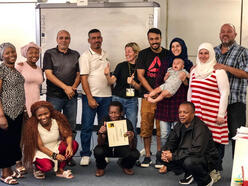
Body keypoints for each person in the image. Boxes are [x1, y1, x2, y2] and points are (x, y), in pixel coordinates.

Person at [188, 42, 230, 183]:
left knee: (216, 143)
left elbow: (225, 93)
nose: (203, 56)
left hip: (213, 114)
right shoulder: (194, 71)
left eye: (206, 53)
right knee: (200, 143)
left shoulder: (218, 71)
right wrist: (189, 112)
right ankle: (202, 169)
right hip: (198, 115)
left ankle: (215, 170)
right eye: (201, 53)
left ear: (211, 54)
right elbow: (190, 91)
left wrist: (220, 114)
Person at [157, 102, 218, 186]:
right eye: (180, 112)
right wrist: (166, 152)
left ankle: (206, 180)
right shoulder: (179, 125)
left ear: (193, 113)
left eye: (185, 112)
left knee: (189, 162)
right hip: (186, 154)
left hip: (206, 159)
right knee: (159, 154)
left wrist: (173, 156)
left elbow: (197, 151)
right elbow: (171, 141)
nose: (181, 115)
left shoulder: (201, 128)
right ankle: (189, 173)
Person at [155, 38, 193, 173]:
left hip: (180, 104)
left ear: (183, 47)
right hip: (165, 103)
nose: (175, 48)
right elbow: (158, 81)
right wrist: (165, 87)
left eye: (178, 46)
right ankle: (165, 161)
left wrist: (184, 80)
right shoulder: (166, 62)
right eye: (173, 46)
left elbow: (190, 86)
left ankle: (177, 161)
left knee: (179, 135)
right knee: (165, 134)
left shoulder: (188, 64)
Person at [43, 30, 80, 166]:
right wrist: (65, 87)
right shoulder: (49, 53)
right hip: (54, 97)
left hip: (71, 97)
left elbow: (78, 74)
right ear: (57, 39)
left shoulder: (75, 54)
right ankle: (54, 154)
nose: (64, 40)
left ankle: (69, 155)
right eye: (61, 38)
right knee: (52, 126)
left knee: (71, 126)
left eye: (67, 38)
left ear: (70, 39)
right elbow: (49, 74)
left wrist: (72, 88)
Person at [136, 28, 169, 168]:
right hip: (147, 98)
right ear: (148, 39)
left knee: (162, 129)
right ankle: (148, 155)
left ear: (160, 38)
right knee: (146, 127)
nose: (154, 41)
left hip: (163, 98)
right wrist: (152, 92)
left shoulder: (168, 54)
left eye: (156, 38)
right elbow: (140, 76)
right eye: (151, 39)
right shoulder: (143, 54)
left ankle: (160, 156)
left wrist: (159, 93)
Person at [79, 29, 112, 166]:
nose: (96, 40)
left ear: (102, 39)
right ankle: (85, 154)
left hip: (107, 96)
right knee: (87, 126)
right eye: (93, 38)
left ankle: (103, 153)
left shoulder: (106, 55)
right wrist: (90, 97)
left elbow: (108, 75)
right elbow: (83, 79)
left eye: (98, 37)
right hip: (91, 97)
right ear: (89, 40)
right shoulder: (85, 56)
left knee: (105, 127)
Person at [214, 23, 248, 156]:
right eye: (223, 32)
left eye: (229, 31)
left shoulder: (243, 51)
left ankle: (238, 173)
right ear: (219, 35)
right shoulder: (213, 51)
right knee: (216, 138)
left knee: (237, 137)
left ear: (235, 34)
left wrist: (225, 67)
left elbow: (246, 74)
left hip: (235, 102)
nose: (225, 34)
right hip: (216, 103)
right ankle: (215, 170)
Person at [21, 101, 78, 180]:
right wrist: (55, 155)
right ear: (35, 116)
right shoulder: (33, 126)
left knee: (73, 144)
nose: (43, 117)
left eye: (46, 113)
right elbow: (40, 147)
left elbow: (67, 135)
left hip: (55, 146)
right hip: (41, 151)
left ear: (50, 112)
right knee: (47, 167)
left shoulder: (56, 121)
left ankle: (60, 170)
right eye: (40, 115)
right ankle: (37, 168)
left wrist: (69, 146)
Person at [0, 43, 26, 185]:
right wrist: (1, 116)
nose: (11, 55)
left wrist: (24, 109)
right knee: (4, 142)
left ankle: (10, 170)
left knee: (14, 142)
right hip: (6, 113)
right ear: (2, 56)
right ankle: (4, 173)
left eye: (13, 52)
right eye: (7, 53)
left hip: (18, 113)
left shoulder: (15, 70)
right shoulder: (1, 69)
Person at [93, 101, 140, 177]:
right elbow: (99, 143)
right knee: (98, 151)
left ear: (121, 113)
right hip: (106, 147)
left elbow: (132, 147)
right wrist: (101, 133)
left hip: (121, 147)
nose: (113, 115)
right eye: (111, 112)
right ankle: (101, 167)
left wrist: (131, 137)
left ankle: (125, 165)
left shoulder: (126, 122)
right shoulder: (104, 121)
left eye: (116, 113)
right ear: (108, 112)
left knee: (135, 154)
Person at [104, 42, 141, 134]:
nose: (126, 54)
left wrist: (133, 83)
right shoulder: (121, 65)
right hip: (118, 99)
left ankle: (131, 147)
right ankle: (114, 148)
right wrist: (107, 75)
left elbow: (140, 88)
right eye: (125, 51)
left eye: (129, 51)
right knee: (115, 126)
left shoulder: (141, 67)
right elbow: (111, 81)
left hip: (132, 101)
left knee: (131, 126)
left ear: (136, 53)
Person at [16, 42, 43, 117]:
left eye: (36, 53)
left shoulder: (39, 69)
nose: (34, 55)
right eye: (31, 53)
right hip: (23, 103)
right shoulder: (20, 66)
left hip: (36, 102)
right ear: (26, 54)